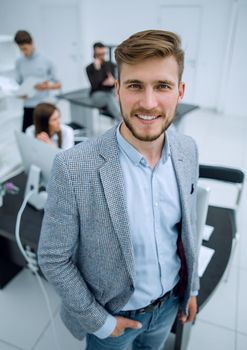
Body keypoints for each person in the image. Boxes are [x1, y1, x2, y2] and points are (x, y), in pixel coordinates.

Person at [38, 29, 199, 350]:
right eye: (135, 85)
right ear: (118, 91)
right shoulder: (73, 167)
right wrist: (101, 322)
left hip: (168, 307)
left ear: (180, 91)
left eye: (163, 86)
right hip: (113, 318)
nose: (149, 103)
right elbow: (53, 257)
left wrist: (191, 289)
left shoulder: (187, 149)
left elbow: (187, 228)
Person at [14, 30, 62, 132]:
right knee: (26, 136)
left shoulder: (46, 61)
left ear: (32, 43)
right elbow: (18, 84)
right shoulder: (19, 62)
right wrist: (20, 93)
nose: (23, 52)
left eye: (25, 48)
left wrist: (48, 86)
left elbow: (58, 84)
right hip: (28, 106)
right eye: (21, 49)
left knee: (44, 137)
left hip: (43, 107)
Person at [86, 42, 121, 121]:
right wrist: (97, 70)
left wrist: (113, 82)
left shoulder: (111, 65)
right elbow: (94, 85)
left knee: (119, 95)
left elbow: (116, 81)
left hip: (111, 92)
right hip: (96, 95)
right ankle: (122, 120)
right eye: (99, 54)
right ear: (94, 54)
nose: (102, 56)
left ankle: (124, 118)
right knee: (109, 97)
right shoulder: (89, 68)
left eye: (103, 54)